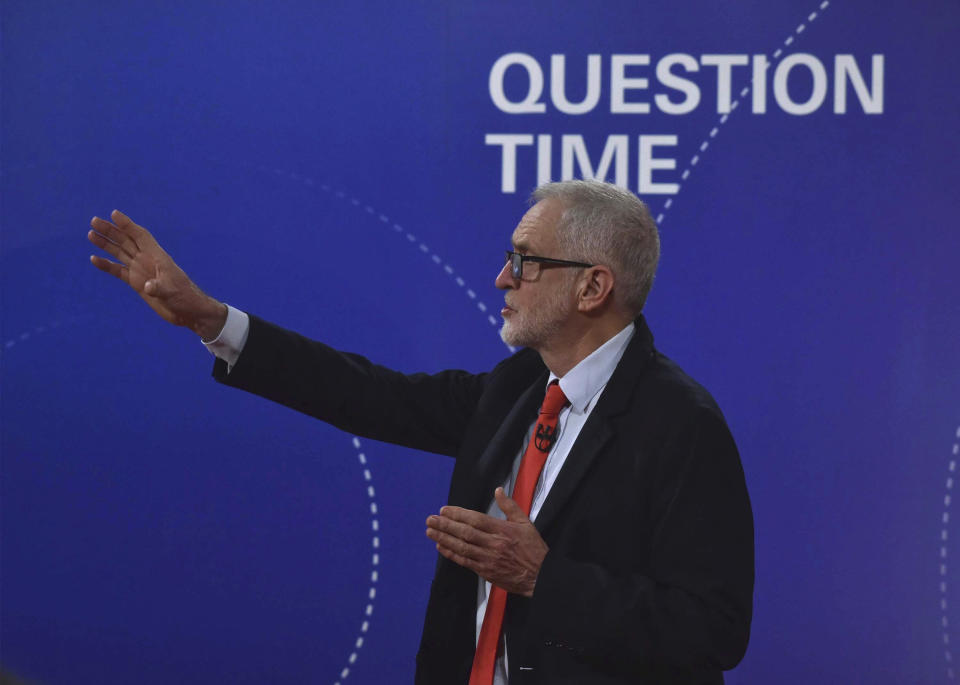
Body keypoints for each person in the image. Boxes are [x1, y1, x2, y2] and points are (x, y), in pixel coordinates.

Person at [88, 180, 754, 684]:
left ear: (592, 287)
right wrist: (211, 320)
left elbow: (713, 630)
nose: (501, 278)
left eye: (524, 260)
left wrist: (543, 577)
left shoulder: (681, 424)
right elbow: (373, 397)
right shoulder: (519, 386)